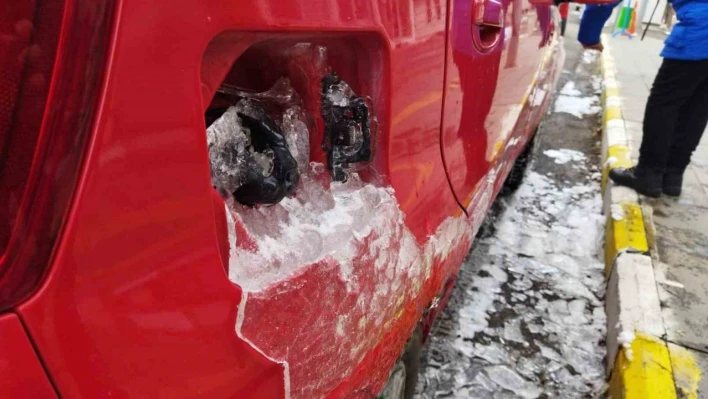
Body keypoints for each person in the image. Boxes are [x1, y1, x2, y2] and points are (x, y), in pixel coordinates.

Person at [579, 0, 708, 197]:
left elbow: (602, 2)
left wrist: (589, 36)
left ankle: (649, 174)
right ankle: (672, 176)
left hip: (700, 33)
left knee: (665, 103)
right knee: (698, 106)